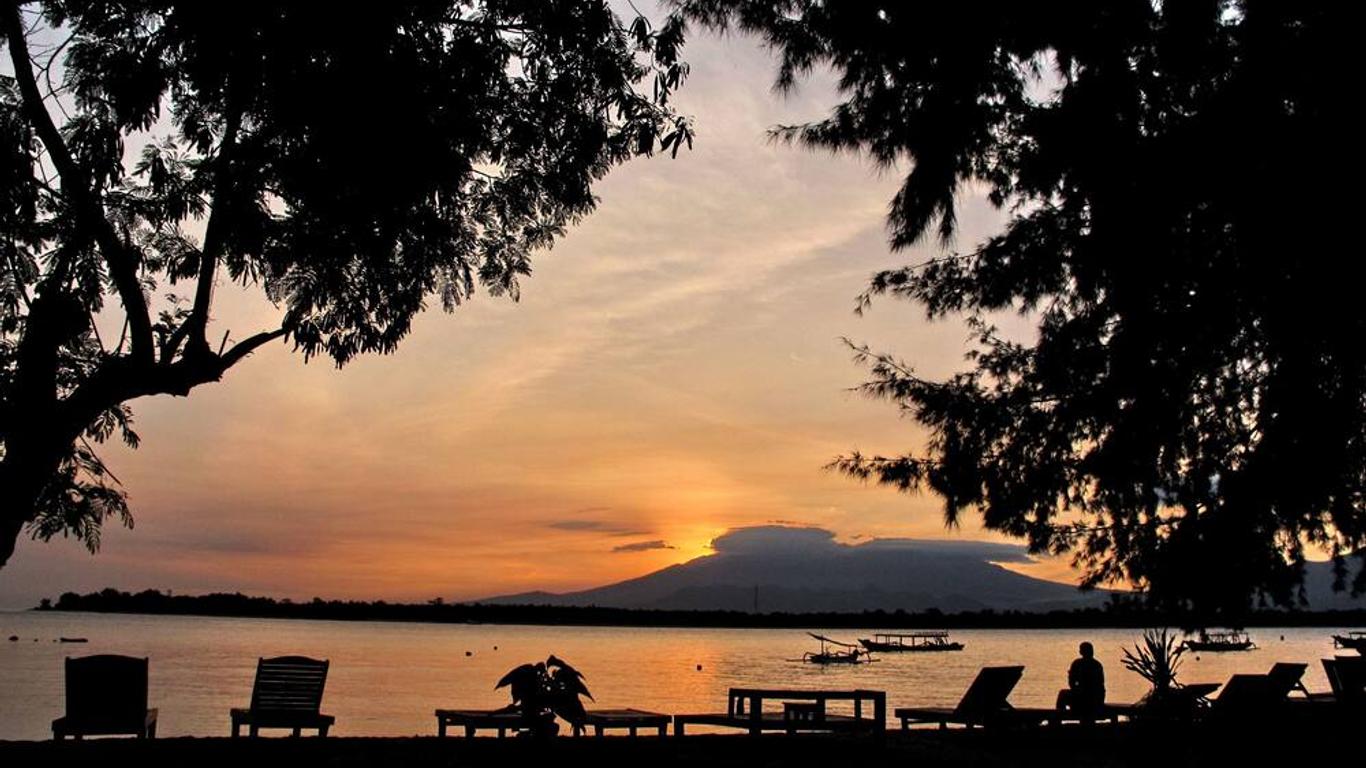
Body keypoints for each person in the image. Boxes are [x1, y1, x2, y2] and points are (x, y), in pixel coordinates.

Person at [1056, 641, 1106, 722]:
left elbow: (1072, 683)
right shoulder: (1097, 664)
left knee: (1062, 694)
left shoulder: (1077, 664)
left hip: (1084, 699)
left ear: (1081, 652)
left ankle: (1059, 718)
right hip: (1096, 699)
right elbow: (1101, 683)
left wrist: (1073, 681)